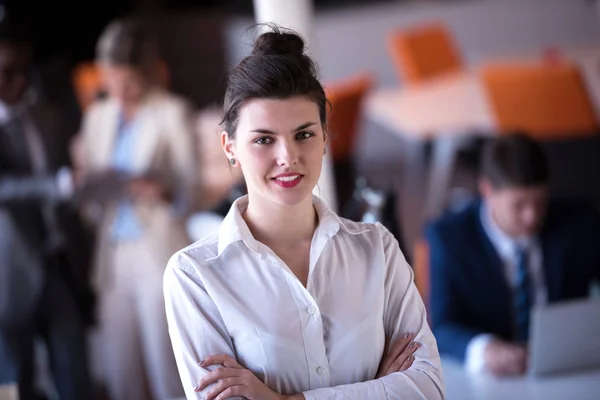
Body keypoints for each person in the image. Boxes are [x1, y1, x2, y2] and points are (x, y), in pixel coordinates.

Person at [164, 26, 444, 400]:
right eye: (264, 139)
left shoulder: (377, 249)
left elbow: (427, 389)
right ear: (229, 146)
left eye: (304, 134)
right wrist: (378, 386)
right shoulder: (195, 277)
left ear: (326, 136)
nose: (288, 157)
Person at [75, 19, 196, 400]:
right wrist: (86, 186)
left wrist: (161, 191)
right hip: (112, 255)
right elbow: (91, 206)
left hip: (157, 251)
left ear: (146, 75)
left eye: (129, 81)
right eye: (111, 80)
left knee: (166, 366)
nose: (120, 91)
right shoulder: (97, 117)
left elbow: (192, 191)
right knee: (120, 371)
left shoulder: (172, 112)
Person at [426, 133, 600, 376]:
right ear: (487, 190)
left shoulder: (579, 223)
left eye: (540, 203)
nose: (532, 216)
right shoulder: (449, 238)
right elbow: (442, 327)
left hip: (569, 372)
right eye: (519, 205)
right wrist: (484, 349)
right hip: (494, 382)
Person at [0, 15, 93, 400]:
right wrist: (54, 185)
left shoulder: (48, 116)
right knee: (14, 379)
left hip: (58, 262)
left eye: (24, 69)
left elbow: (68, 176)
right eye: (7, 71)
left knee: (74, 373)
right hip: (9, 272)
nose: (19, 80)